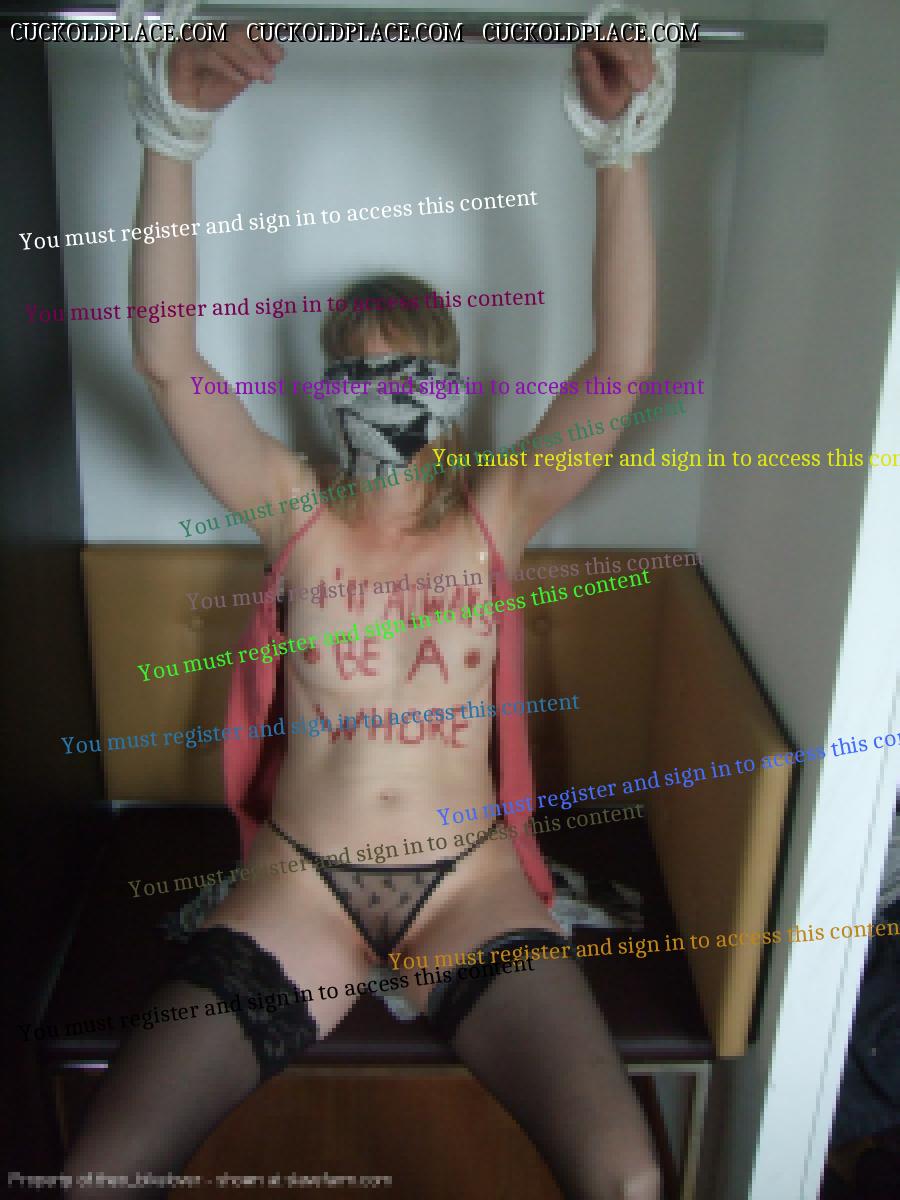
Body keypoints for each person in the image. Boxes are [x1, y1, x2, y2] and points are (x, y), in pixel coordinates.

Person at [65, 17, 669, 1199]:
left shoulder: (498, 516)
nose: (387, 395)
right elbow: (168, 363)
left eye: (412, 368)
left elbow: (622, 367)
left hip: (470, 891)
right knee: (101, 1173)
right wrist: (171, 134)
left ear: (453, 385)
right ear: (327, 386)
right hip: (300, 888)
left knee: (627, 1177)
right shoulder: (293, 512)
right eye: (359, 369)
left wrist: (619, 149)